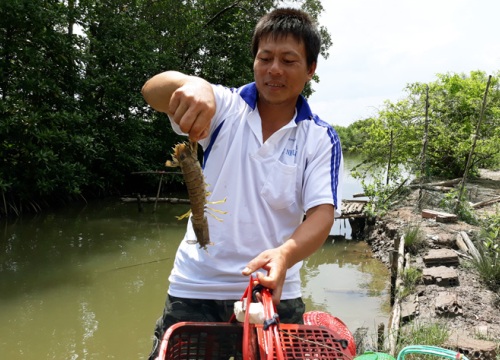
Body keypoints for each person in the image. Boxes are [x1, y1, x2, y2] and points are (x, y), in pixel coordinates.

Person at [141, 7, 343, 359]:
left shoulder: (320, 137)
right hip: (196, 286)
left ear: (311, 68)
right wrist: (195, 85)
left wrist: (285, 254)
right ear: (253, 61)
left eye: (288, 60)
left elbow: (322, 213)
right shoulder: (223, 108)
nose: (274, 69)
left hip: (274, 288)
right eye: (265, 57)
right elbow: (152, 91)